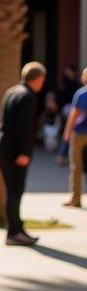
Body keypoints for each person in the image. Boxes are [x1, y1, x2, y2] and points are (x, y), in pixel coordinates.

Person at [0, 61, 46, 245]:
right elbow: (23, 128)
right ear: (37, 79)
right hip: (14, 151)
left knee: (12, 190)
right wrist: (23, 152)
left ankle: (17, 229)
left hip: (2, 147)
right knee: (15, 190)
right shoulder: (28, 97)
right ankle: (14, 233)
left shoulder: (12, 91)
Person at [61, 67, 87, 208]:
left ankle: (75, 199)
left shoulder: (81, 94)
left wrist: (67, 132)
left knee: (76, 167)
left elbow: (74, 115)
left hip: (80, 133)